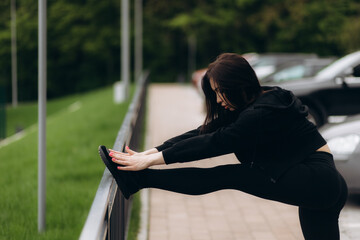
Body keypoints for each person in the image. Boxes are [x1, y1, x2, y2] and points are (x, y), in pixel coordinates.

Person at [99, 53, 348, 240]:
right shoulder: (259, 102)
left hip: (318, 179)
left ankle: (138, 180)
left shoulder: (260, 112)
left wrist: (152, 162)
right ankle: (139, 179)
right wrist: (150, 152)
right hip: (321, 182)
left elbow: (214, 143)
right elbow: (204, 132)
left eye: (220, 92)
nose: (218, 100)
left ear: (238, 85)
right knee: (230, 175)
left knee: (229, 175)